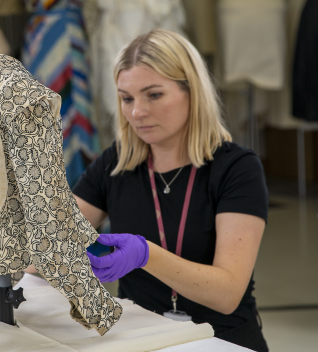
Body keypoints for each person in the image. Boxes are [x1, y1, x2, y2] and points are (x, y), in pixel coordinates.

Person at [72, 29, 269, 351]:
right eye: (127, 98)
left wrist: (146, 255)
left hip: (220, 339)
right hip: (141, 337)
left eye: (154, 95)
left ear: (192, 92)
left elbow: (227, 294)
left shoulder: (237, 168)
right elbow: (49, 242)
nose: (137, 112)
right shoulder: (116, 163)